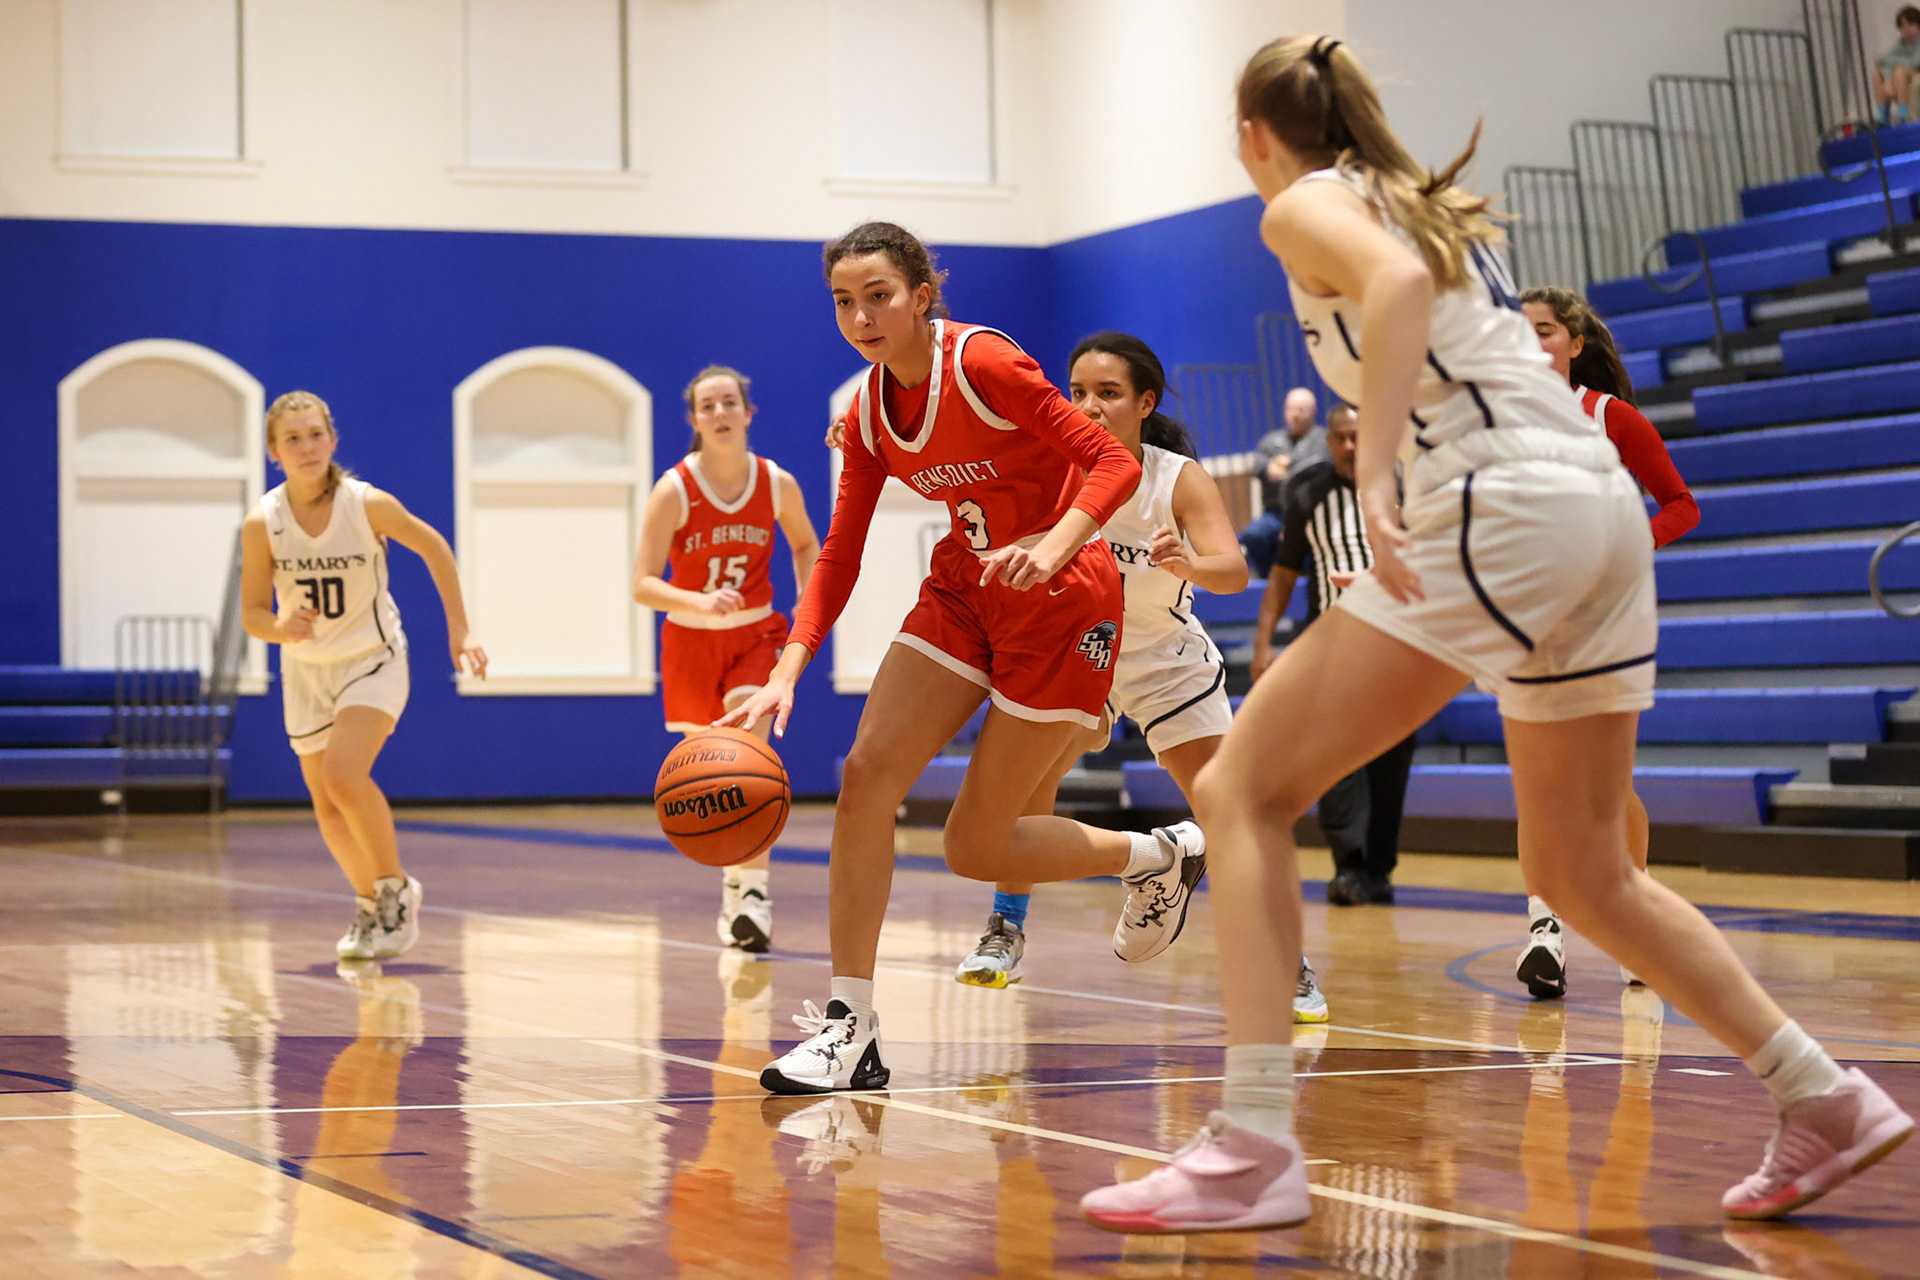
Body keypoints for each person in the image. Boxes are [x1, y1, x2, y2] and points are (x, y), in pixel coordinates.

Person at [1081, 36, 1910, 1233]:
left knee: (1245, 792)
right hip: (1595, 513)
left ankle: (1253, 1144)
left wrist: (1369, 487)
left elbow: (1399, 297)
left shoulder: (1307, 202)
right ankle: (1822, 1096)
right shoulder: (1416, 204)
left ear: (1253, 133)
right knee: (1583, 868)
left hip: (1502, 500)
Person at [720, 221, 1211, 1097]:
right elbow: (839, 552)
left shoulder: (983, 364)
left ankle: (1155, 855)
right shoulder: (868, 413)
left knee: (975, 846)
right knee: (866, 774)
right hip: (965, 587)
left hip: (1065, 599)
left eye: (879, 295)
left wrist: (1057, 545)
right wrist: (789, 663)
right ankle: (851, 1027)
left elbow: (1109, 463)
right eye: (844, 300)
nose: (863, 316)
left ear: (921, 294)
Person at [947, 331, 1328, 1024]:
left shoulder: (1175, 476)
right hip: (1078, 653)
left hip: (1161, 657)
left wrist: (1188, 562)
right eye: (1079, 392)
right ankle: (1004, 931)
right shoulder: (1048, 462)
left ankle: (1289, 963)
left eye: (1109, 394)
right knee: (1027, 794)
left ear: (1145, 402)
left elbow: (1235, 570)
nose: (1089, 407)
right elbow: (961, 445)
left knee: (1231, 809)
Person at [240, 391, 487, 960]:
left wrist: (462, 630)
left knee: (345, 776)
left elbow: (435, 548)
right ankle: (369, 904)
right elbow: (252, 612)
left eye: (315, 434)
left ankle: (396, 890)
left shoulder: (365, 504)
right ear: (274, 451)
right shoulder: (264, 522)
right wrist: (281, 628)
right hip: (307, 673)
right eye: (293, 438)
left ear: (333, 439)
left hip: (372, 659)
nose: (306, 447)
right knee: (326, 807)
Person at [1514, 286, 1699, 998]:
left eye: (1544, 331)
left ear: (1574, 343)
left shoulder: (1611, 417)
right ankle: (1544, 932)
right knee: (1537, 784)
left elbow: (1682, 505)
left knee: (1608, 781)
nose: (1531, 344)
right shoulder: (1500, 426)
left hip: (1606, 614)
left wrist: (1627, 544)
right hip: (1529, 617)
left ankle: (1633, 925)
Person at [632, 366, 820, 953]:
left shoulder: (776, 482)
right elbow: (641, 584)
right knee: (714, 774)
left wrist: (808, 599)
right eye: (707, 406)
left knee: (750, 752)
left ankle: (755, 895)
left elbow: (808, 542)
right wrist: (698, 600)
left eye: (729, 403)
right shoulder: (675, 489)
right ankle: (733, 888)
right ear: (694, 420)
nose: (719, 413)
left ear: (747, 412)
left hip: (757, 635)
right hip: (691, 641)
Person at [1252, 403, 1417, 908]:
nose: (1350, 447)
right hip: (1329, 647)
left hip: (1396, 648)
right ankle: (1348, 866)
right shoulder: (1306, 492)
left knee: (1391, 762)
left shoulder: (1406, 490)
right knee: (1334, 760)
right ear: (1330, 440)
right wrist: (1263, 644)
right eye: (1341, 438)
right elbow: (1283, 573)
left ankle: (1379, 868)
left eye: (1359, 437)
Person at [1238, 387, 1330, 579]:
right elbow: (1259, 465)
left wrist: (1286, 466)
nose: (1295, 415)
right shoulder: (1271, 441)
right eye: (1291, 409)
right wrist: (1270, 467)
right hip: (1276, 512)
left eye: (1301, 410)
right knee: (1254, 535)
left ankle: (1313, 578)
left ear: (1314, 411)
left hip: (1313, 511)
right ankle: (1269, 578)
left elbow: (1321, 466)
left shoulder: (1324, 440)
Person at [1872, 6, 1920, 125]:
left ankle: (1903, 116)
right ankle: (1883, 117)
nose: (1906, 29)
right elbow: (1884, 63)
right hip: (1908, 74)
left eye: (1910, 23)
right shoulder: (1901, 43)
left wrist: (1889, 61)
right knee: (1877, 74)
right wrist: (1888, 82)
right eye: (1902, 26)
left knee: (1899, 70)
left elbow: (1915, 62)